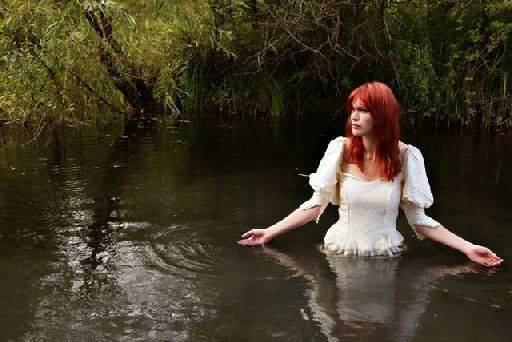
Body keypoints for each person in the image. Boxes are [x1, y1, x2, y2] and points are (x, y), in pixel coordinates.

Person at [238, 82, 503, 267]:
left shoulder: (407, 157)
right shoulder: (339, 149)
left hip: (385, 257)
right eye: (353, 109)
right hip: (338, 253)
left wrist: (467, 247)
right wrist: (269, 233)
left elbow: (419, 221)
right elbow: (316, 205)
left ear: (382, 117)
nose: (354, 116)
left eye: (363, 110)